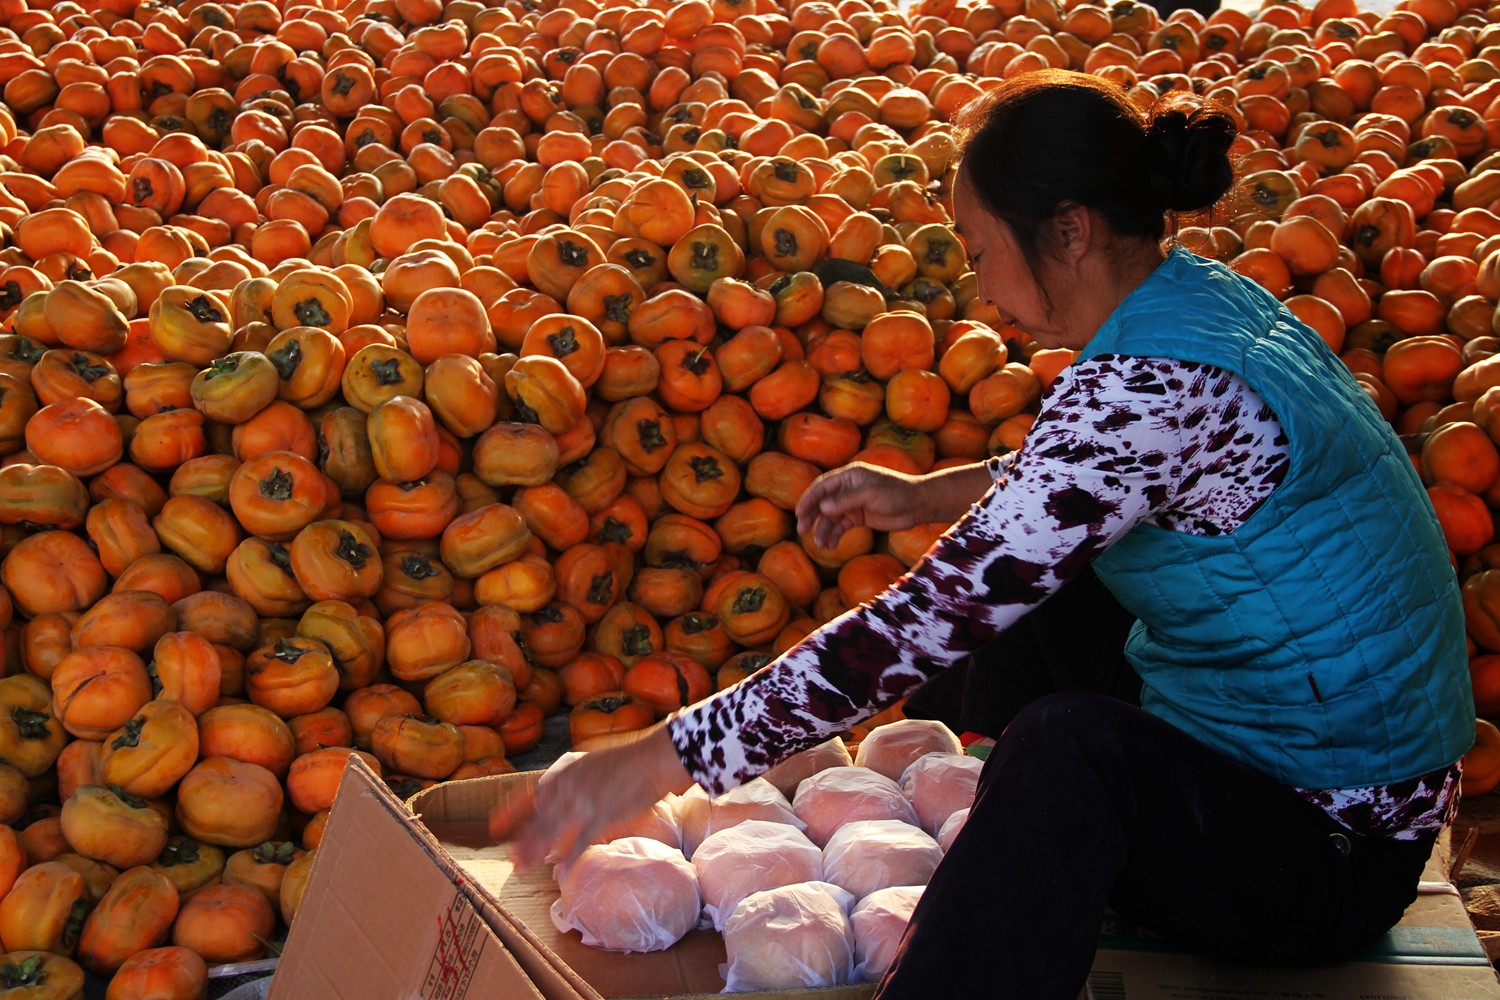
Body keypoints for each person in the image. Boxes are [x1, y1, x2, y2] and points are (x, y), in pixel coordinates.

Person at [492, 68, 1475, 998]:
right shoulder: (1200, 305)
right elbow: (1096, 490)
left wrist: (654, 757)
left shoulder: (1148, 385)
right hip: (1272, 755)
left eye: (976, 250)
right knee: (1034, 589)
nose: (977, 289)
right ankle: (965, 812)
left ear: (1070, 230)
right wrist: (930, 494)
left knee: (1062, 744)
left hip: (1331, 847)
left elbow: (922, 619)